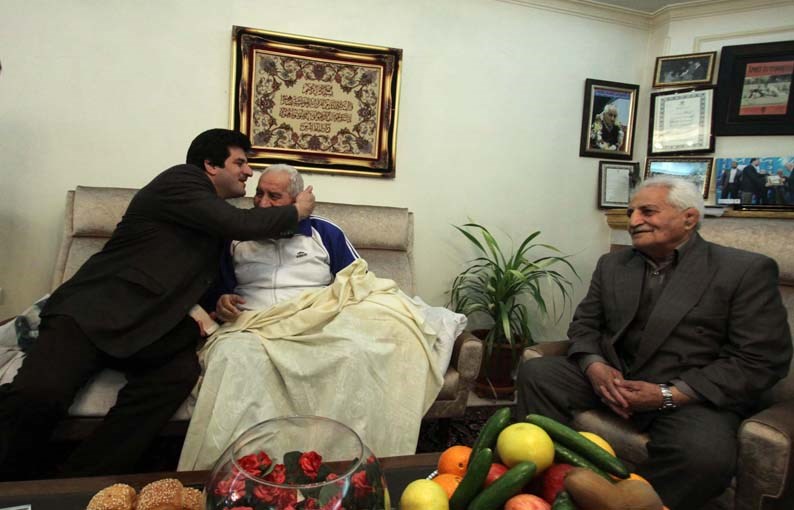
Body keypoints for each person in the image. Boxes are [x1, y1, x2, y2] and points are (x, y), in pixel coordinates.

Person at [0, 129, 316, 480]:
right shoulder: (181, 181)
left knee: (177, 375)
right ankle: (13, 487)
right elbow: (239, 223)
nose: (248, 172)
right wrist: (296, 210)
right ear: (210, 165)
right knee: (38, 395)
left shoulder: (215, 223)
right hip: (95, 312)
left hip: (151, 326)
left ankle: (81, 481)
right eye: (240, 162)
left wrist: (218, 304)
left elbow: (207, 281)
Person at [516, 176, 791, 510]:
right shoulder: (613, 264)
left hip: (690, 395)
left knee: (705, 458)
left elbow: (761, 359)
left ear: (689, 218)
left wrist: (668, 395)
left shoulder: (743, 271)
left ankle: (626, 501)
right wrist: (595, 367)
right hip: (616, 378)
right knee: (539, 373)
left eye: (647, 211)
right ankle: (550, 483)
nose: (633, 221)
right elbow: (585, 325)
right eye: (630, 212)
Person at [178, 165, 454, 470]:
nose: (262, 203)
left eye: (274, 196)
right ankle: (245, 468)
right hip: (255, 324)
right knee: (232, 356)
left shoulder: (324, 231)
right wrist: (222, 301)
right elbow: (215, 291)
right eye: (258, 194)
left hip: (316, 320)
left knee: (356, 351)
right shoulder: (236, 235)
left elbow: (357, 281)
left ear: (298, 200)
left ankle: (338, 462)